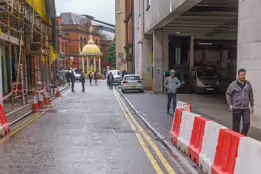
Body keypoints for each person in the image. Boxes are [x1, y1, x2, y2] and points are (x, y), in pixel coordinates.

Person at [226, 68, 254, 136]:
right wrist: (230, 104)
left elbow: (251, 95)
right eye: (241, 75)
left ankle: (242, 136)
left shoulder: (248, 84)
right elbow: (228, 94)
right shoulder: (233, 84)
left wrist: (252, 105)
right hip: (236, 107)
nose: (243, 76)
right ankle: (235, 138)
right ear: (238, 75)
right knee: (236, 127)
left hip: (245, 108)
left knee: (247, 123)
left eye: (244, 75)